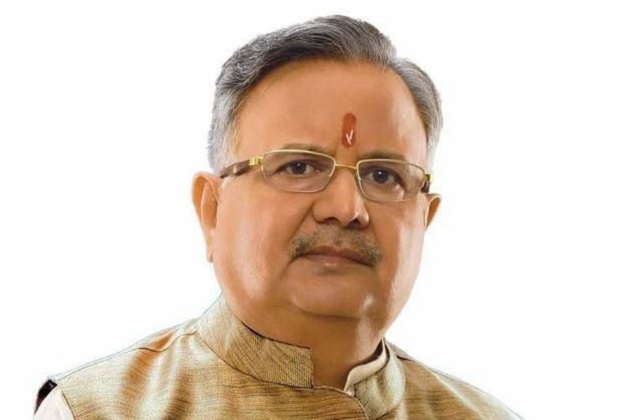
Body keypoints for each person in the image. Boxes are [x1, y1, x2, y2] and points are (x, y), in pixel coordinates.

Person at [34, 15, 522, 419]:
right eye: (299, 167)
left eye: (383, 176)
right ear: (212, 210)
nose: (346, 209)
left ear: (424, 219)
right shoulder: (97, 411)